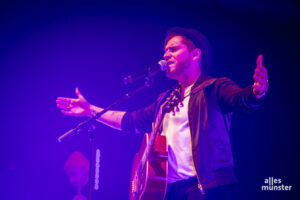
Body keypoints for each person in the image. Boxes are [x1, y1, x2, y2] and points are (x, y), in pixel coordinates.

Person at [56, 27, 269, 200]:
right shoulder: (165, 100)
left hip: (206, 188)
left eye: (174, 49)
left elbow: (241, 100)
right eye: (165, 51)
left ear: (195, 54)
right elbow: (130, 121)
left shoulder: (214, 88)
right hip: (168, 192)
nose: (166, 55)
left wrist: (256, 91)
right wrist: (90, 110)